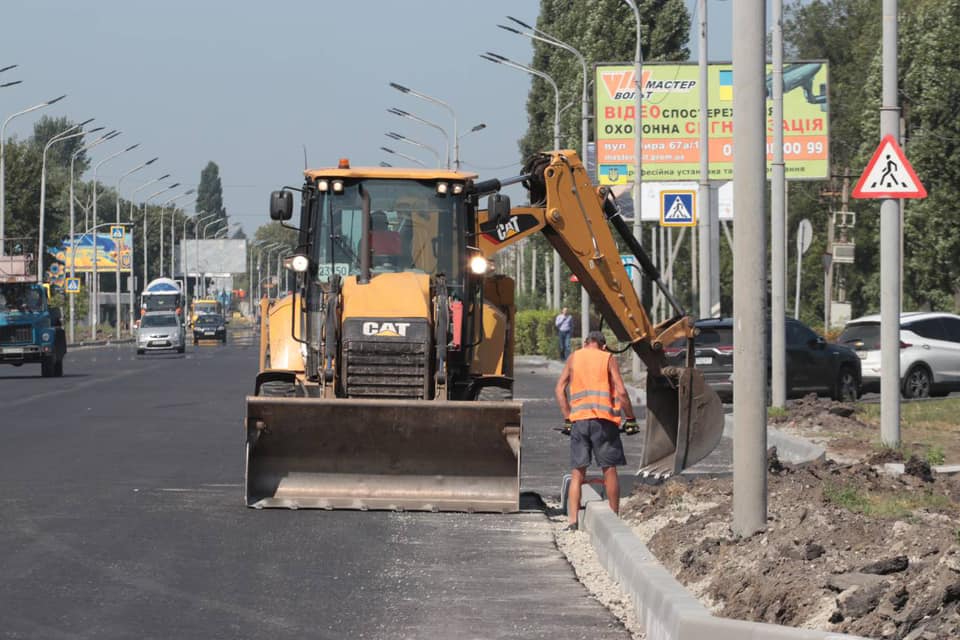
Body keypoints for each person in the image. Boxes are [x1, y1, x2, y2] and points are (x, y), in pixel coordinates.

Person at [554, 331, 639, 531]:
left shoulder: (574, 357)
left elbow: (559, 389)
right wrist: (631, 418)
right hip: (604, 421)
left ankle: (573, 521)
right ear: (603, 345)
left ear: (585, 343)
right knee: (609, 469)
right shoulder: (607, 357)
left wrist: (568, 418)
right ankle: (614, 516)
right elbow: (621, 390)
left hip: (579, 421)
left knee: (577, 473)